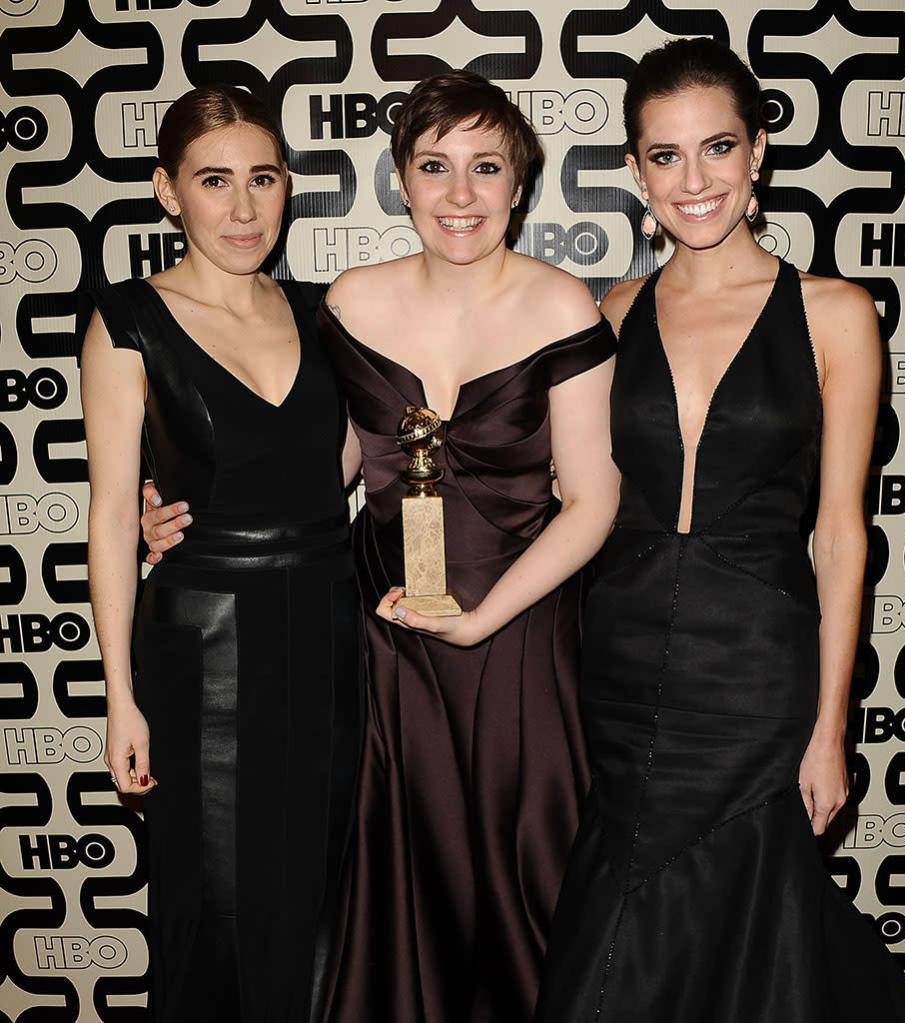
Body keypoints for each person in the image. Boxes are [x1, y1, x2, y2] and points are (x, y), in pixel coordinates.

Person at [142, 70, 619, 1023]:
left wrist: (484, 618)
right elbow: (315, 468)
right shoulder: (349, 301)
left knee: (525, 886)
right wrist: (170, 513)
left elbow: (596, 500)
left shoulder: (565, 305)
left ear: (520, 184)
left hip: (517, 640)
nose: (459, 196)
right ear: (400, 179)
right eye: (434, 166)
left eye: (486, 169)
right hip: (385, 644)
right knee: (403, 885)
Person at [534, 38, 905, 1022]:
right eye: (665, 156)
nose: (693, 179)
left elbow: (841, 537)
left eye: (717, 148)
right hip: (622, 671)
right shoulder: (606, 313)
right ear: (634, 172)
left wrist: (831, 727)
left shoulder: (835, 312)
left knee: (748, 943)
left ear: (758, 152)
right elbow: (514, 473)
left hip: (758, 677)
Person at [81, 85, 362, 1022]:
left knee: (320, 905)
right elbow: (114, 516)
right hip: (201, 653)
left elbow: (350, 462)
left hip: (330, 637)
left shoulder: (327, 313)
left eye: (263, 179)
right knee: (214, 912)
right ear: (169, 192)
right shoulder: (128, 321)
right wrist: (120, 696)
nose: (243, 208)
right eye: (213, 181)